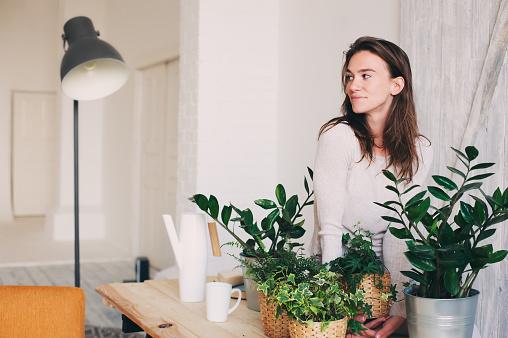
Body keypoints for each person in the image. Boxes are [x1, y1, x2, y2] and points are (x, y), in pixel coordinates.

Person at [310, 36, 433, 338]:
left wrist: (399, 311)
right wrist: (335, 304)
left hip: (384, 284)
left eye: (366, 76)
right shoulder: (339, 137)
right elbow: (330, 228)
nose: (353, 85)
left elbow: (400, 233)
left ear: (396, 85)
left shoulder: (420, 150)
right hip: (333, 273)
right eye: (350, 77)